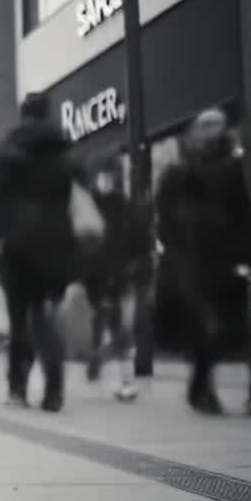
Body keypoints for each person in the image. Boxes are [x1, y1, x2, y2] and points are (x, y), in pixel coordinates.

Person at [154, 108, 251, 415]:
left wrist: (250, 254)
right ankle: (202, 389)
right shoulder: (182, 171)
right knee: (207, 324)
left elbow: (242, 214)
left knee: (220, 325)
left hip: (218, 258)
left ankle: (205, 388)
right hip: (195, 259)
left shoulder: (226, 168)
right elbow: (165, 218)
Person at [0, 92, 79, 412]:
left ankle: (18, 388)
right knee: (45, 314)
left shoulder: (8, 152)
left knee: (19, 318)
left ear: (23, 114)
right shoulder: (64, 150)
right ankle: (55, 389)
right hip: (57, 242)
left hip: (16, 244)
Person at [80, 156, 146, 402]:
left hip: (116, 272)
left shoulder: (118, 205)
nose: (107, 179)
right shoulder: (109, 204)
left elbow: (139, 239)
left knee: (115, 324)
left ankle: (120, 374)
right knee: (109, 321)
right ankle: (105, 360)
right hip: (103, 273)